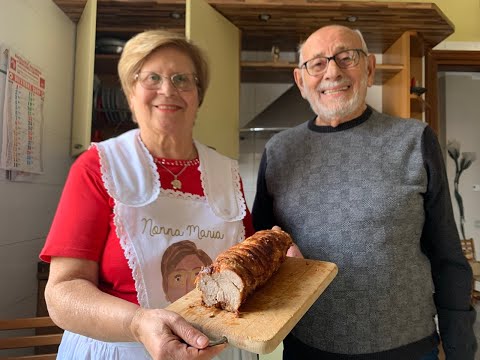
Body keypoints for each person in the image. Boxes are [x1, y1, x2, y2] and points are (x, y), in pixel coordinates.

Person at [252, 24, 477, 360]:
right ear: (300, 81)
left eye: (347, 58)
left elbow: (447, 255)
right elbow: (258, 248)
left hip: (407, 348)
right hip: (308, 349)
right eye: (317, 63)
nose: (332, 72)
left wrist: (460, 349)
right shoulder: (279, 151)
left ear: (369, 68)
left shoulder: (414, 140)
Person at [40, 29, 258, 360]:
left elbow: (244, 272)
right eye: (151, 77)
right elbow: (62, 293)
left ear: (199, 95)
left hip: (213, 351)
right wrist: (138, 322)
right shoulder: (98, 167)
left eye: (182, 79)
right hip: (118, 351)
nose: (168, 90)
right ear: (130, 93)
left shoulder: (226, 174)